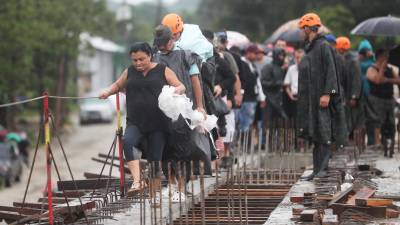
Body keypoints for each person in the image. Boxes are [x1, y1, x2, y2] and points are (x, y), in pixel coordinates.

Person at [99, 42, 185, 195]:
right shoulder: (129, 72)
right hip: (135, 121)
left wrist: (176, 91)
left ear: (150, 56)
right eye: (134, 60)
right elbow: (118, 85)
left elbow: (181, 86)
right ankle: (137, 181)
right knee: (127, 142)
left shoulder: (162, 70)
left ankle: (154, 196)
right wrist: (107, 92)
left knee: (154, 160)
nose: (138, 63)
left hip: (159, 124)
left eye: (141, 59)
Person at [297, 13, 346, 180]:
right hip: (311, 99)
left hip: (322, 98)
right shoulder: (310, 48)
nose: (300, 33)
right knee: (315, 132)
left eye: (302, 29)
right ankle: (317, 169)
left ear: (308, 29)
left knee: (323, 132)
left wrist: (327, 94)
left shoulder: (324, 46)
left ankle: (323, 169)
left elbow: (331, 72)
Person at [366, 49, 400, 157]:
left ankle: (389, 144)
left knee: (390, 122)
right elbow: (377, 80)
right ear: (380, 57)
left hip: (389, 98)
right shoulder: (372, 69)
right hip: (377, 99)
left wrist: (387, 80)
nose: (387, 58)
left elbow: (398, 80)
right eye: (385, 56)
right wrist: (381, 69)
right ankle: (377, 143)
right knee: (378, 121)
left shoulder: (390, 68)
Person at [336, 37, 364, 143]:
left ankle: (354, 143)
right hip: (346, 96)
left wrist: (354, 96)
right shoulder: (344, 59)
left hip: (352, 97)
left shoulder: (353, 61)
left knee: (354, 120)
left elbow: (357, 80)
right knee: (348, 119)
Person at [261, 48, 288, 129]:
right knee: (268, 124)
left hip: (281, 99)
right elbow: (264, 82)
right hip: (270, 99)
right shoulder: (268, 67)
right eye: (280, 55)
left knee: (281, 123)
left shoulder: (282, 68)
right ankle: (265, 141)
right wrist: (277, 83)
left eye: (283, 55)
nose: (282, 57)